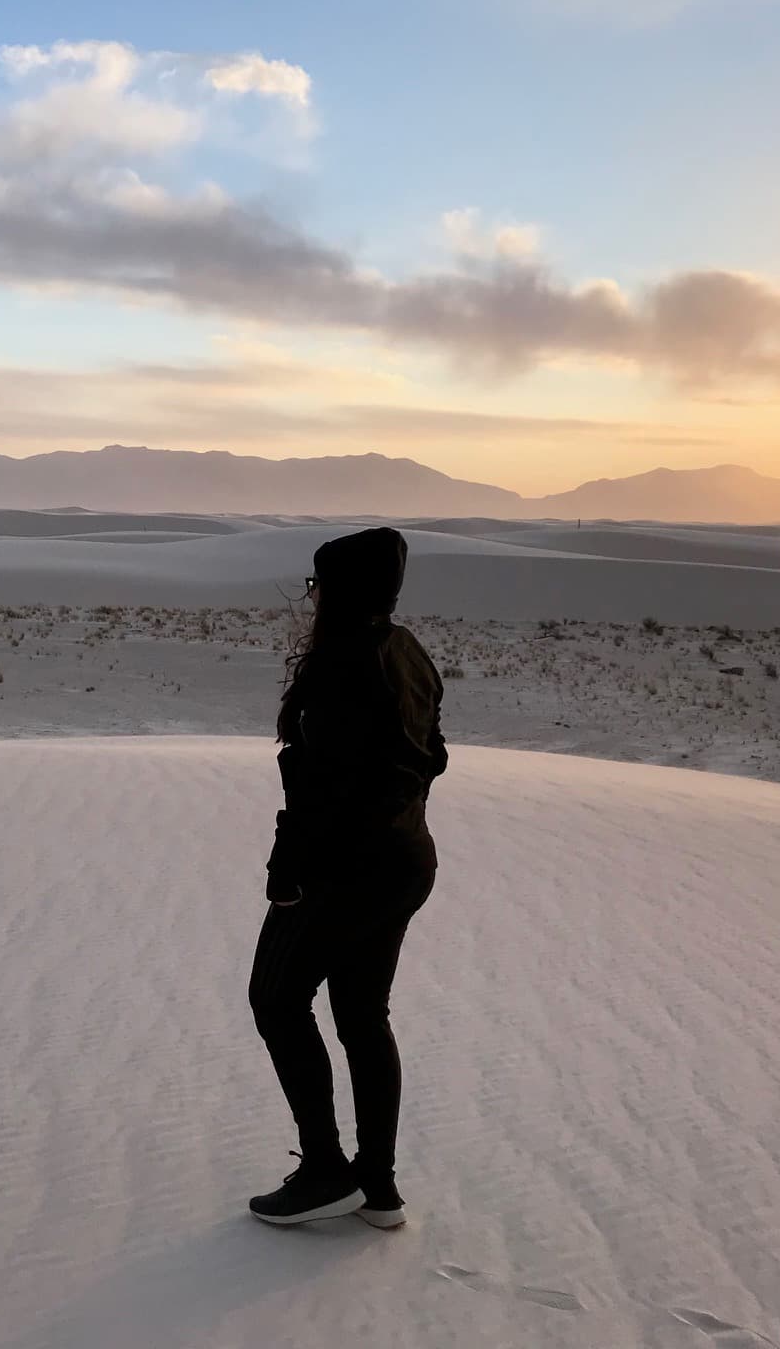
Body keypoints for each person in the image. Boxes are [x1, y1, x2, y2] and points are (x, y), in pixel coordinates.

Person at [247, 526, 447, 1227]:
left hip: (346, 868)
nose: (313, 597)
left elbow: (319, 794)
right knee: (362, 1015)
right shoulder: (406, 652)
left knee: (275, 1001)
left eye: (317, 585)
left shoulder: (344, 666)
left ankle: (326, 1171)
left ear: (340, 591)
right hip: (404, 860)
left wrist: (286, 874)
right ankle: (377, 1187)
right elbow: (432, 756)